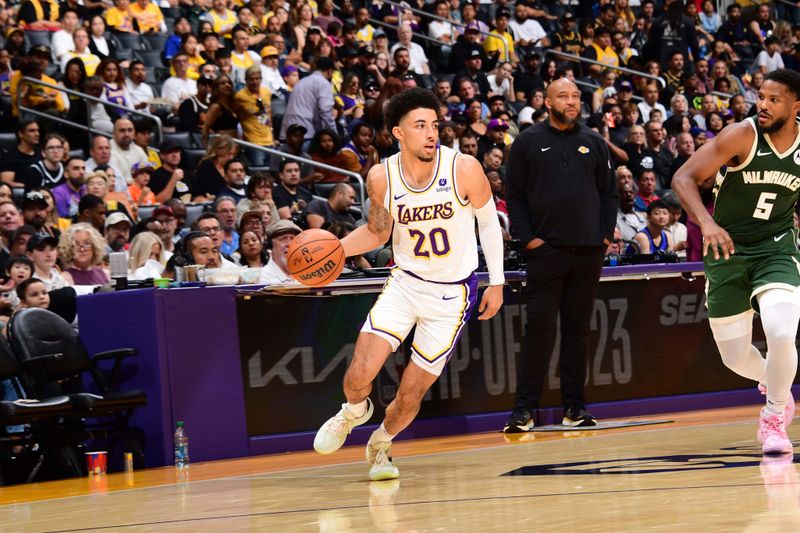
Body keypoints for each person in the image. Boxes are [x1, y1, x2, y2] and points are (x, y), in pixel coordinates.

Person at [313, 88, 504, 481]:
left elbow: (489, 224)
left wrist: (497, 282)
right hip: (405, 284)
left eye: (435, 125)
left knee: (409, 396)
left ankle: (380, 444)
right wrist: (333, 251)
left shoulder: (463, 168)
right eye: (421, 126)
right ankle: (353, 412)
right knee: (357, 375)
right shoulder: (382, 176)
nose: (432, 133)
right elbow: (377, 234)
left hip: (453, 295)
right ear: (398, 133)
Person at [673, 69, 800, 455]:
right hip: (726, 249)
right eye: (761, 96)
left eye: (774, 99)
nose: (762, 104)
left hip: (776, 246)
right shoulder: (741, 134)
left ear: (795, 106)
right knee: (734, 357)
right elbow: (683, 178)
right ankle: (773, 381)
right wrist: (707, 223)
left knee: (780, 331)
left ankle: (774, 416)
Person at [504, 78, 617, 433]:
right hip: (546, 253)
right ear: (547, 101)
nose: (572, 102)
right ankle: (524, 410)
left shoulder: (594, 142)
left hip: (588, 252)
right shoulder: (527, 142)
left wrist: (604, 235)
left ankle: (575, 408)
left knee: (577, 331)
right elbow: (515, 197)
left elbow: (610, 194)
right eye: (564, 96)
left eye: (576, 96)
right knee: (539, 330)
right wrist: (530, 240)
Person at [277, 57, 336, 141]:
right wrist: (334, 134)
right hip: (305, 134)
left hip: (288, 132)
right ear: (329, 71)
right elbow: (325, 111)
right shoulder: (324, 83)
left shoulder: (302, 81)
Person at [234, 67, 274, 166]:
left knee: (272, 173)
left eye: (257, 78)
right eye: (251, 79)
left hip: (269, 140)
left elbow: (268, 114)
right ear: (246, 80)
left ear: (261, 79)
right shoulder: (240, 96)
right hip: (253, 142)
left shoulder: (266, 92)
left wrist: (273, 136)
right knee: (259, 173)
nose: (254, 82)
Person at [258, 219, 301, 284]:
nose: (289, 244)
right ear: (270, 245)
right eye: (283, 239)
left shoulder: (308, 274)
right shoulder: (262, 278)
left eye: (293, 239)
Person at [110, 118, 147, 184]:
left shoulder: (139, 150)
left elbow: (146, 174)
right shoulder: (108, 150)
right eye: (122, 130)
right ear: (114, 134)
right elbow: (116, 181)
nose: (126, 134)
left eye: (130, 130)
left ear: (134, 132)